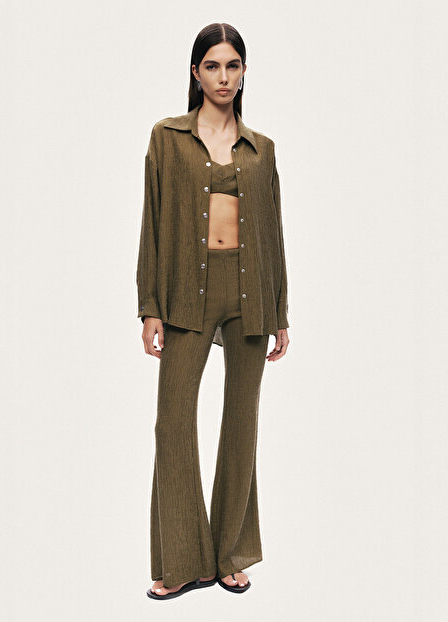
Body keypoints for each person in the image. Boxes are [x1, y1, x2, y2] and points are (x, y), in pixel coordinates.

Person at [136, 23, 290, 600]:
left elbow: (273, 233)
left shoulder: (261, 149)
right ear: (196, 72)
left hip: (250, 292)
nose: (223, 77)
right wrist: (150, 306)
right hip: (185, 292)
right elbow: (153, 222)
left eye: (233, 66)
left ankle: (229, 555)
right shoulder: (168, 138)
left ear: (243, 72)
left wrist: (280, 310)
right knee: (173, 422)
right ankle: (183, 560)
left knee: (241, 422)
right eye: (212, 66)